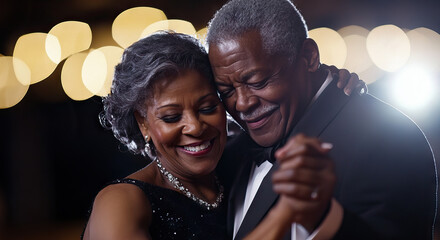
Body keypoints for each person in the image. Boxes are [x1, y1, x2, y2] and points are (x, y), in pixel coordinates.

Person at [81, 32, 362, 239]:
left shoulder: (236, 169)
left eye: (207, 107)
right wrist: (283, 216)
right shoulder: (120, 202)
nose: (195, 126)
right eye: (171, 117)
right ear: (142, 123)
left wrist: (319, 83)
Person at [206, 0, 438, 239]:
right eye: (226, 91)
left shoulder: (389, 139)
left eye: (258, 82)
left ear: (308, 57)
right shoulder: (228, 155)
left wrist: (324, 218)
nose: (242, 103)